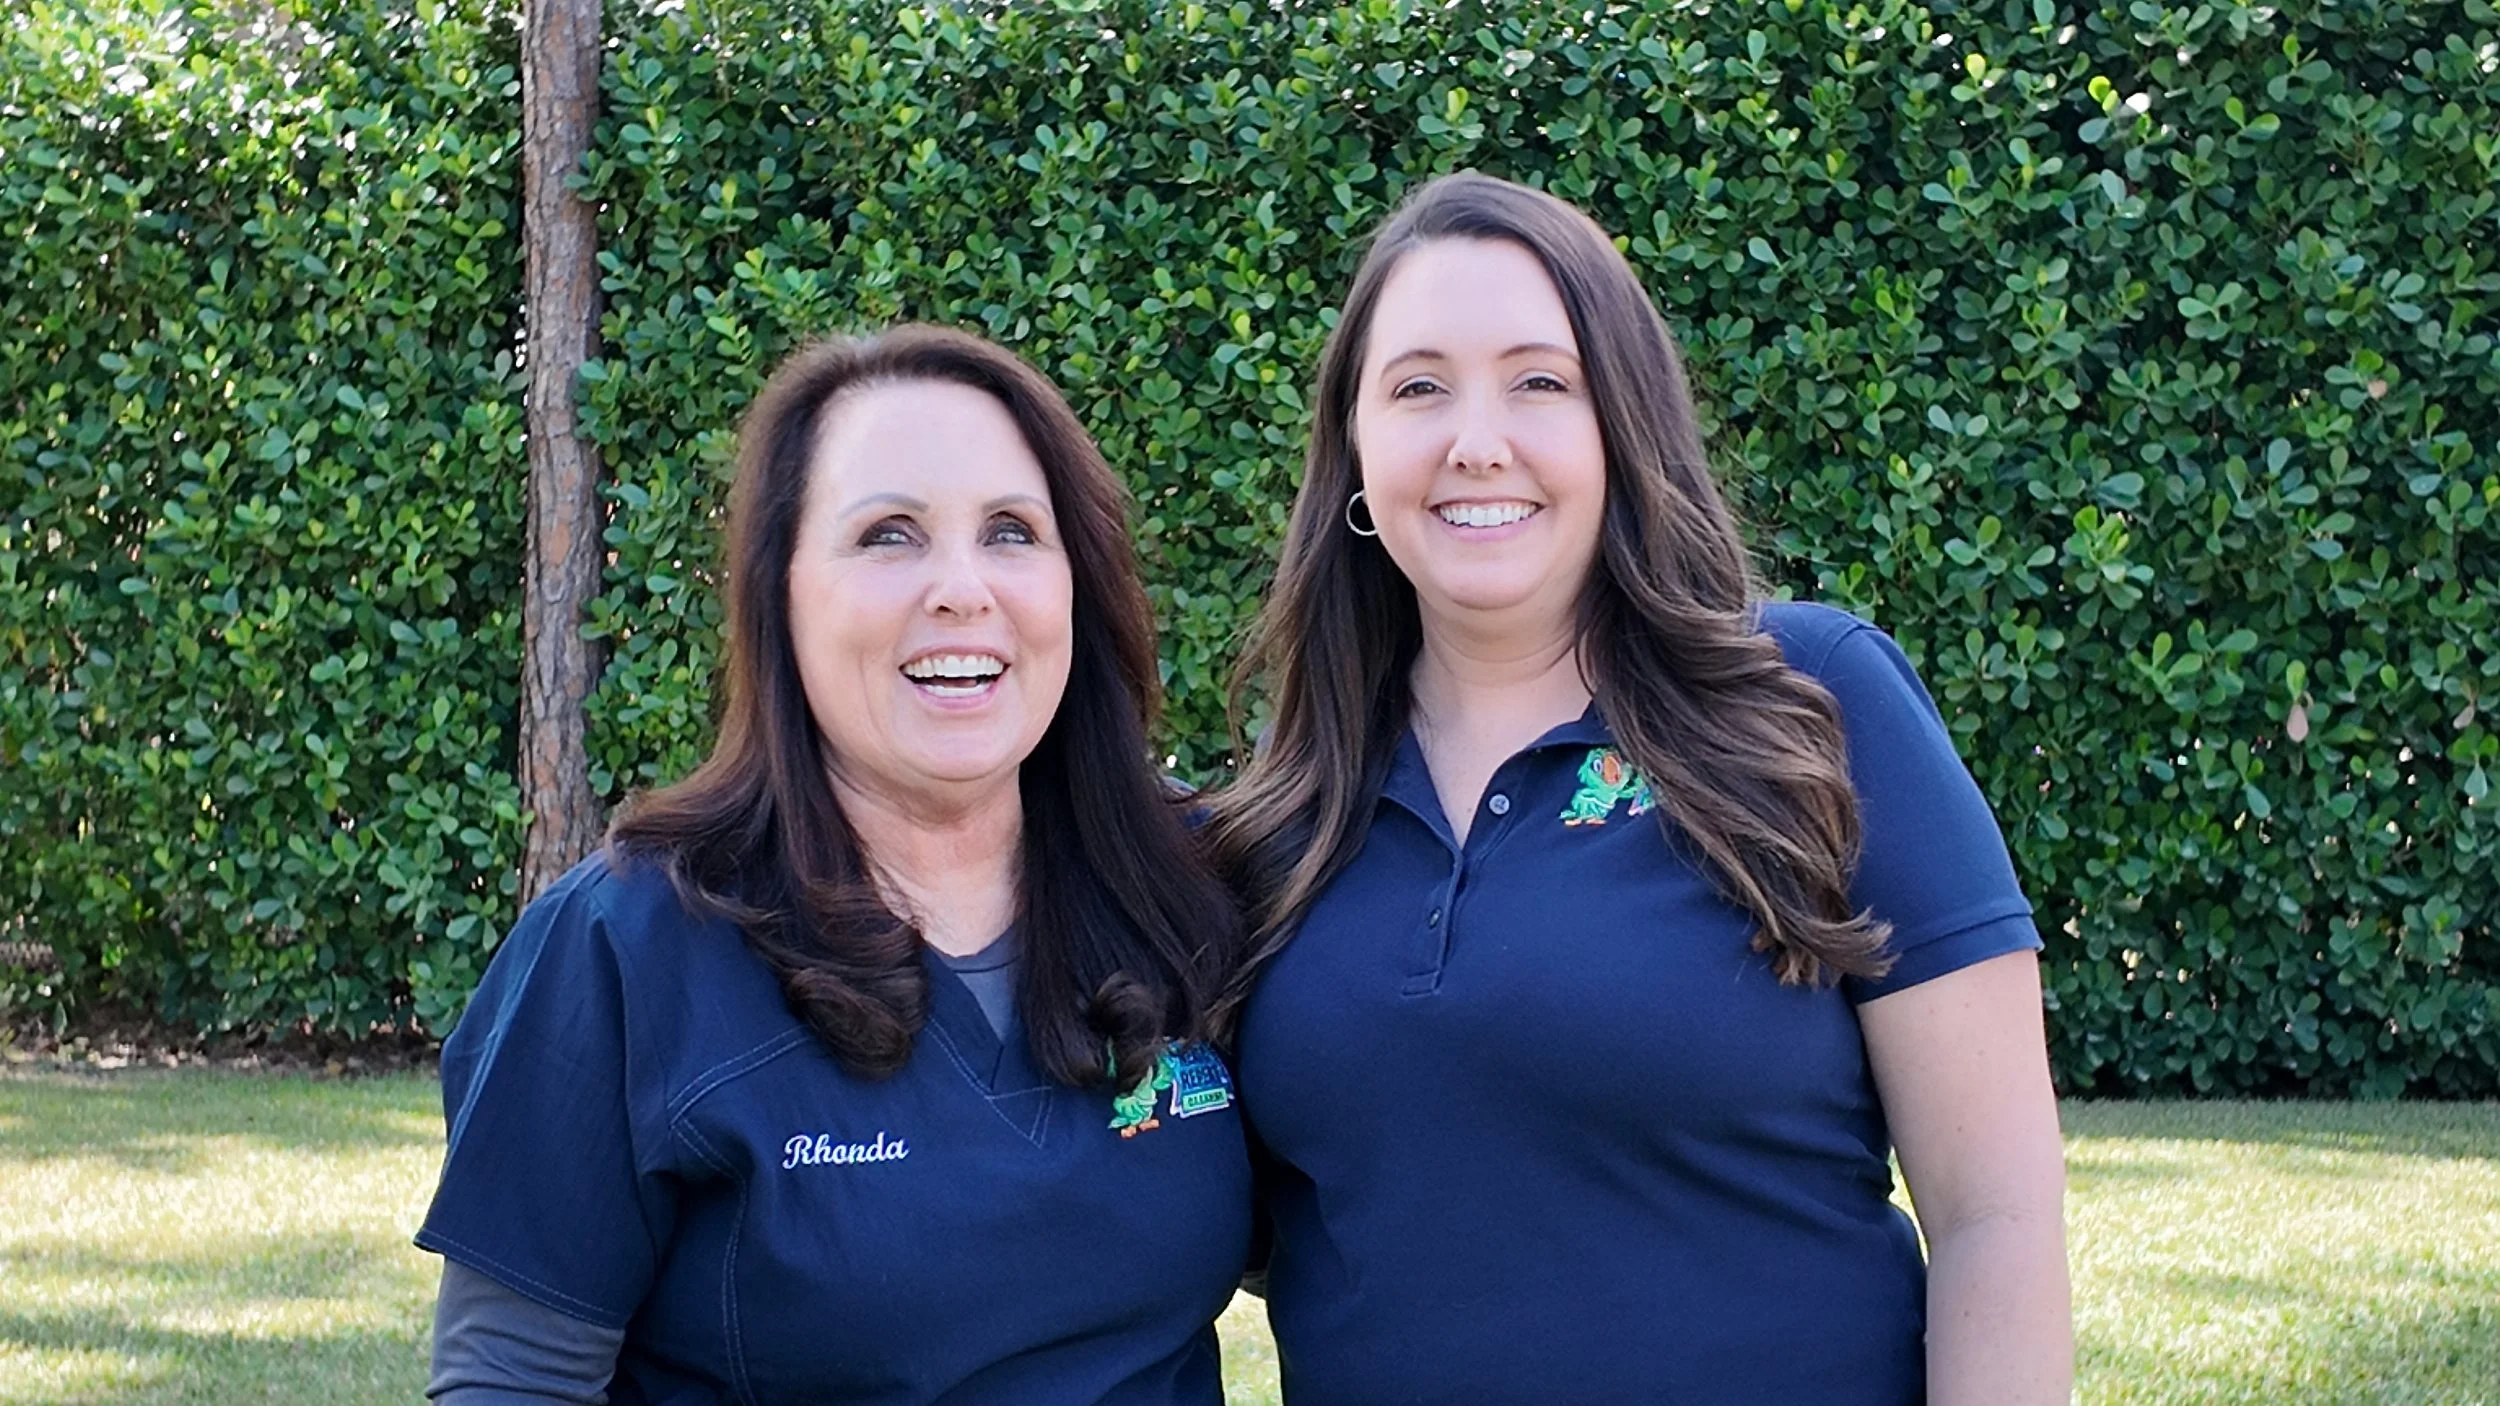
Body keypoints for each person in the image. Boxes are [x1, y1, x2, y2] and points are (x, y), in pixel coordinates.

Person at [1207, 172, 2072, 1404]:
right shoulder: (1272, 826)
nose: (1476, 438)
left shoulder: (1813, 703)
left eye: (1539, 380)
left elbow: (1997, 1214)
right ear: (1353, 451)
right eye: (1415, 388)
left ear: (1622, 421)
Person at [418, 326, 1251, 1403]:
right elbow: (509, 1380)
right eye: (889, 535)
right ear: (784, 594)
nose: (962, 588)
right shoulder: (623, 950)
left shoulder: (1198, 887)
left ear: (1075, 582)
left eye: (1011, 531)